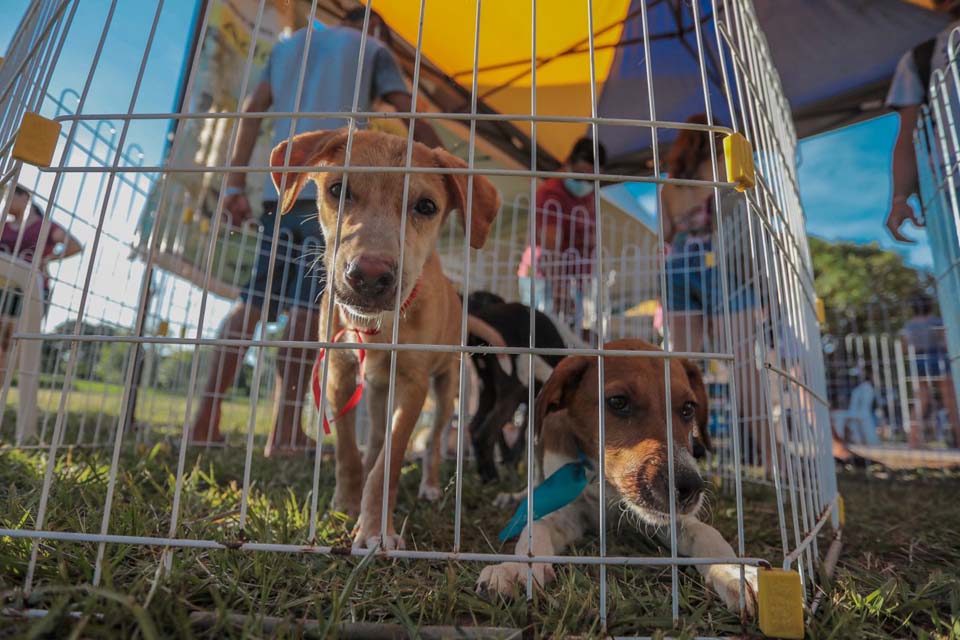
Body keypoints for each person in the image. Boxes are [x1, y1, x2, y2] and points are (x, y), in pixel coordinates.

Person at [188, 8, 443, 456]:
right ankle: (285, 431)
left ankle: (204, 420)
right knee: (311, 311)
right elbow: (406, 110)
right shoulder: (375, 46)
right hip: (342, 198)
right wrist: (440, 161)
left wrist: (232, 185)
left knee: (252, 302)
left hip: (288, 188)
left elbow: (251, 112)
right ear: (374, 26)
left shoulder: (288, 47)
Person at [660, 114, 764, 465]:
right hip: (720, 261)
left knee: (680, 368)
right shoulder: (723, 168)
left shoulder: (670, 185)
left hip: (678, 264)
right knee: (744, 364)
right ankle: (773, 456)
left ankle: (675, 451)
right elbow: (743, 226)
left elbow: (666, 234)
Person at [516, 138, 605, 336]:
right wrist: (559, 289)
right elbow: (550, 247)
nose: (584, 183)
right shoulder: (552, 194)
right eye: (580, 175)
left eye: (591, 179)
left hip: (573, 280)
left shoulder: (588, 195)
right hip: (547, 278)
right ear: (568, 164)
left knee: (568, 336)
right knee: (544, 336)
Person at [1, 184, 82, 377]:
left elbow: (73, 245)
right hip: (2, 288)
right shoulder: (3, 225)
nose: (5, 201)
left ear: (25, 198)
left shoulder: (45, 226)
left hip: (30, 291)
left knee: (14, 340)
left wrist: (47, 259)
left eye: (9, 196)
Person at [901, 295, 959, 447]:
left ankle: (912, 440)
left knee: (920, 401)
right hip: (938, 358)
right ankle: (959, 439)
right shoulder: (937, 321)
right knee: (951, 402)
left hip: (918, 361)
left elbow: (905, 348)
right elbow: (947, 343)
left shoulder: (909, 326)